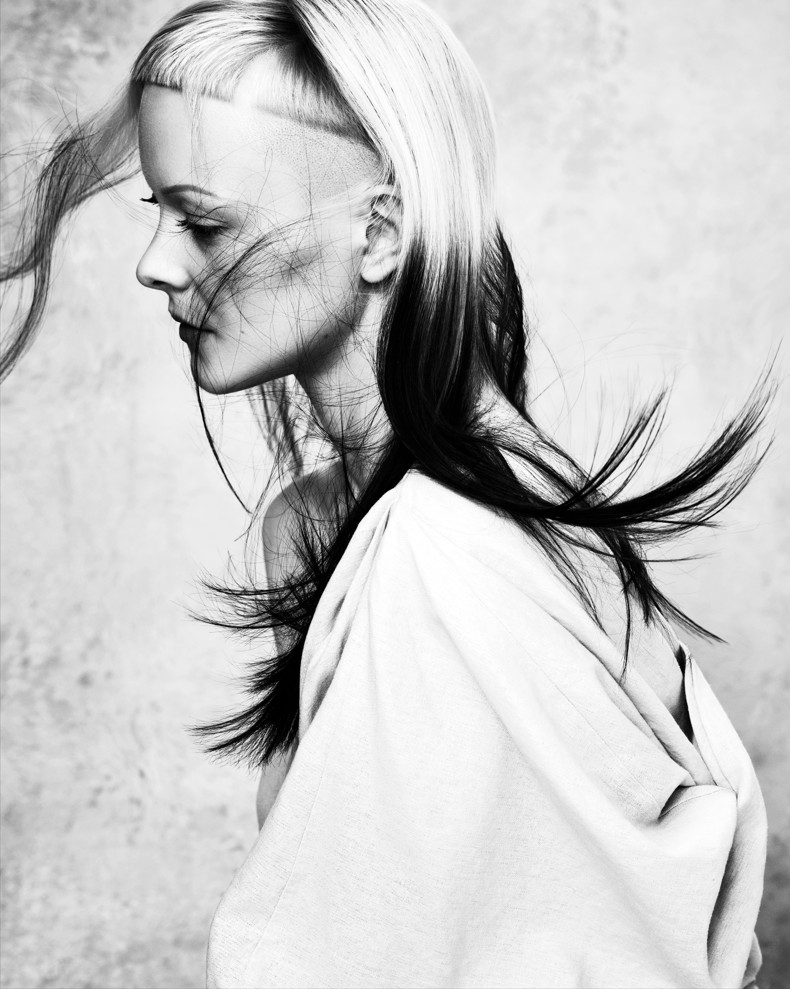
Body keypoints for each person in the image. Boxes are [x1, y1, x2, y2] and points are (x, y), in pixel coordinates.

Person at [0, 1, 772, 986]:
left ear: (378, 233)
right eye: (160, 213)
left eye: (204, 221)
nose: (155, 264)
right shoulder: (345, 520)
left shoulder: (445, 553)